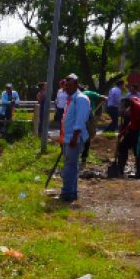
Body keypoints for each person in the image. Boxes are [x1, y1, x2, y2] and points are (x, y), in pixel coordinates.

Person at [60, 74, 91, 202]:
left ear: (76, 84)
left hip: (74, 139)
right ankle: (71, 192)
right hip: (68, 138)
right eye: (65, 85)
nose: (66, 87)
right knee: (71, 166)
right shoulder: (71, 99)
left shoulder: (81, 99)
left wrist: (74, 138)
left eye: (69, 85)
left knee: (70, 167)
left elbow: (80, 120)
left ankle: (67, 194)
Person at [116, 96, 140, 179]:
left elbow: (132, 125)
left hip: (139, 130)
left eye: (124, 107)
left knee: (137, 151)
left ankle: (139, 173)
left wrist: (122, 133)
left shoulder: (137, 109)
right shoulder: (133, 100)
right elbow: (135, 98)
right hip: (133, 129)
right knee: (122, 146)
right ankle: (120, 170)